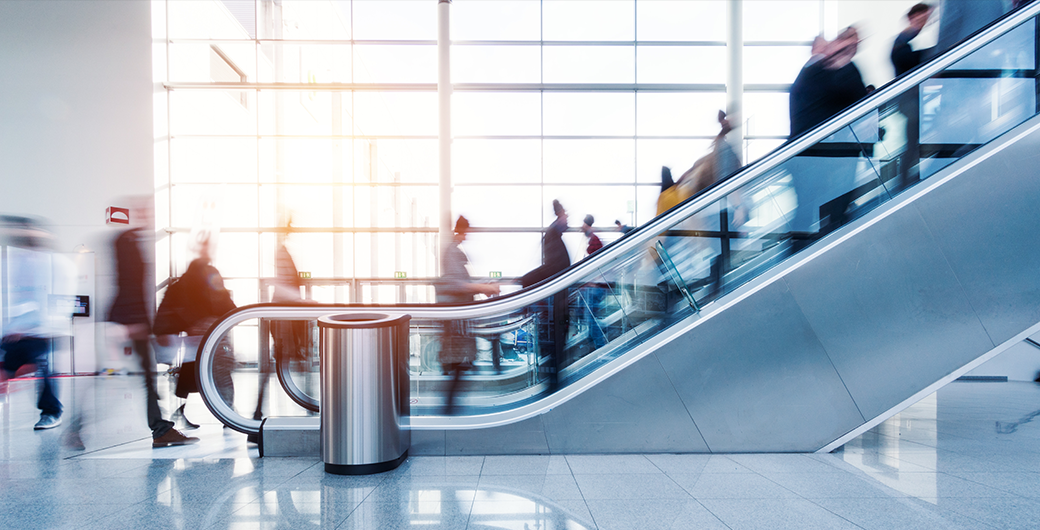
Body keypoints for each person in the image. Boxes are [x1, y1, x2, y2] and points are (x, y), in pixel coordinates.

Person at [108, 200, 199, 448]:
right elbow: (126, 284)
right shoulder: (125, 242)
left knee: (146, 378)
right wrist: (134, 322)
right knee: (139, 378)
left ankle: (160, 429)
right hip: (129, 322)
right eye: (143, 211)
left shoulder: (134, 243)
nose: (148, 215)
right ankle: (160, 430)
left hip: (135, 322)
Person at [787, 27, 869, 245]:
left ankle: (810, 246)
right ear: (816, 49)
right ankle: (803, 250)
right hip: (813, 154)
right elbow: (854, 95)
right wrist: (844, 58)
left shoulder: (812, 73)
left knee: (812, 206)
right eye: (827, 45)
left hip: (810, 155)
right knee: (812, 207)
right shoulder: (818, 72)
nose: (830, 49)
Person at [154, 235, 236, 427]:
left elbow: (185, 302)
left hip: (204, 334)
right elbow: (216, 300)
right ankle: (229, 415)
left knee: (197, 374)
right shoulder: (202, 273)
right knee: (219, 373)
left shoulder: (194, 275)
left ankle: (226, 414)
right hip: (207, 333)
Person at [0, 218, 72, 431]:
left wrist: (33, 327)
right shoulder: (10, 262)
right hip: (13, 332)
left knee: (42, 367)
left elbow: (56, 300)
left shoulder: (56, 264)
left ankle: (51, 412)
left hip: (42, 333)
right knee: (10, 369)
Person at [436, 216, 499, 414]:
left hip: (458, 321)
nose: (468, 235)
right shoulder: (452, 251)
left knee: (460, 363)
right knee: (460, 362)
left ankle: (449, 406)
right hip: (456, 322)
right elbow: (456, 285)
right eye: (467, 231)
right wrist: (481, 287)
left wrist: (481, 287)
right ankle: (448, 407)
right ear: (462, 230)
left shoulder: (454, 250)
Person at [520, 200, 572, 391]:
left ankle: (553, 384)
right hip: (555, 306)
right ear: (560, 214)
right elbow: (552, 268)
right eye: (565, 214)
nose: (568, 218)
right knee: (554, 348)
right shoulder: (552, 236)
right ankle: (552, 387)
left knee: (554, 348)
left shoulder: (554, 235)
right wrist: (525, 280)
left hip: (557, 305)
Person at [891, 4, 934, 189]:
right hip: (909, 100)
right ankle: (904, 181)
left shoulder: (905, 40)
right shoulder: (902, 41)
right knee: (911, 141)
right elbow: (903, 60)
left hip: (911, 99)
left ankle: (906, 178)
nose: (925, 22)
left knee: (913, 140)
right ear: (913, 17)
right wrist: (929, 54)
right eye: (922, 17)